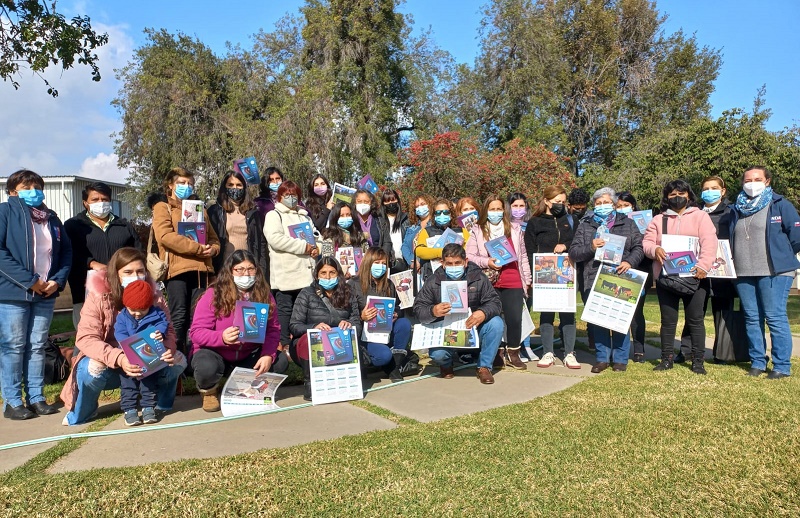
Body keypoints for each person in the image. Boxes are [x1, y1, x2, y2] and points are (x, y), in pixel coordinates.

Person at [60, 248, 186, 425]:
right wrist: (119, 358)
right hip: (110, 364)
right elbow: (86, 338)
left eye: (140, 271)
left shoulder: (155, 297)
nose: (135, 276)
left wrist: (167, 348)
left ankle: (160, 404)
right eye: (128, 272)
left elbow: (170, 331)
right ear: (115, 274)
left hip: (147, 359)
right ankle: (85, 411)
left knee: (177, 359)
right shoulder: (98, 296)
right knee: (91, 368)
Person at [0, 170, 72, 420]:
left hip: (46, 294)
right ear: (13, 191)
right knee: (13, 346)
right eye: (26, 187)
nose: (34, 191)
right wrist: (30, 282)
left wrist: (57, 280)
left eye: (37, 186)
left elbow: (65, 253)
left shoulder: (51, 218)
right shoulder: (5, 213)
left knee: (37, 346)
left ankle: (36, 398)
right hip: (14, 294)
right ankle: (12, 401)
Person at [726, 166, 800, 378]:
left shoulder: (780, 205)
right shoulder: (736, 209)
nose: (752, 183)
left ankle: (781, 366)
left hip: (774, 272)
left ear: (767, 181)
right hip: (743, 272)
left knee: (774, 317)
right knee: (752, 317)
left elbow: (796, 237)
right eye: (748, 179)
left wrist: (780, 256)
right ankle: (758, 362)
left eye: (757, 179)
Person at [189, 250, 283, 411]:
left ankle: (243, 388)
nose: (246, 274)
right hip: (217, 353)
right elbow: (196, 332)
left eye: (250, 269)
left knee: (280, 362)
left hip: (247, 353)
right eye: (239, 269)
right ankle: (209, 391)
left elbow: (273, 329)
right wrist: (222, 337)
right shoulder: (213, 294)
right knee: (206, 367)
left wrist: (268, 354)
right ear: (230, 271)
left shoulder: (264, 295)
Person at [643, 180, 717, 374]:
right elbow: (647, 242)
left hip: (696, 277)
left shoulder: (700, 216)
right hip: (666, 277)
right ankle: (666, 359)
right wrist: (654, 249)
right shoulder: (659, 219)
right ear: (667, 198)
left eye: (681, 193)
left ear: (689, 196)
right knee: (668, 321)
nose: (677, 197)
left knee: (695, 320)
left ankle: (697, 361)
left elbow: (709, 242)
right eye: (672, 194)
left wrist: (704, 266)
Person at [570, 187, 644, 373]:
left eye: (606, 202)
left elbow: (639, 247)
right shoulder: (585, 224)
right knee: (599, 320)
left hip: (621, 275)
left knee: (620, 319)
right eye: (598, 203)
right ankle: (602, 358)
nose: (602, 206)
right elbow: (574, 252)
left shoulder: (627, 223)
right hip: (594, 276)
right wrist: (591, 246)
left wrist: (629, 261)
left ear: (613, 204)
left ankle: (620, 358)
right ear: (593, 205)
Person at [152, 167, 221, 356]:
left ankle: (195, 357)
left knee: (198, 317)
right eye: (182, 183)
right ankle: (176, 355)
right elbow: (165, 236)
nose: (186, 186)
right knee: (179, 316)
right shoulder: (162, 207)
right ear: (171, 185)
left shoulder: (200, 208)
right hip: (177, 271)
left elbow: (214, 238)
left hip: (202, 271)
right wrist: (197, 249)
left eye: (190, 183)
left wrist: (213, 249)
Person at [413, 243, 504, 384]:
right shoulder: (433, 281)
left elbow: (495, 302)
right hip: (445, 330)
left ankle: (484, 366)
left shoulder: (478, 277)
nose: (453, 267)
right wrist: (433, 311)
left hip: (472, 327)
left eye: (457, 263)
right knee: (438, 355)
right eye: (449, 263)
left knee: (496, 323)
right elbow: (418, 309)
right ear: (442, 263)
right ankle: (446, 364)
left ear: (465, 262)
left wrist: (483, 312)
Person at [675, 176, 736, 364]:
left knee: (723, 313)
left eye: (714, 188)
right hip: (697, 270)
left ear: (723, 191)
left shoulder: (731, 212)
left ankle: (722, 353)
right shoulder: (694, 212)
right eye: (706, 188)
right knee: (694, 313)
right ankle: (687, 351)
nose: (710, 191)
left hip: (722, 271)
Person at [466, 195, 531, 370]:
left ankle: (514, 353)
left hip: (513, 278)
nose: (496, 212)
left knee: (514, 318)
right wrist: (487, 261)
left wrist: (528, 278)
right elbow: (469, 256)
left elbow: (523, 255)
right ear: (486, 211)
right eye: (492, 209)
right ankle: (496, 353)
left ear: (504, 210)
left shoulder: (515, 229)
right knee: (493, 318)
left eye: (499, 209)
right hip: (489, 281)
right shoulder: (478, 230)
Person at [65, 181, 142, 328]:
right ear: (85, 203)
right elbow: (69, 253)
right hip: (85, 292)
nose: (101, 203)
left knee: (122, 331)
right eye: (95, 199)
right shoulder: (72, 226)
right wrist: (91, 263)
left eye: (105, 199)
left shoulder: (124, 226)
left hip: (121, 290)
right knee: (88, 334)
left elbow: (137, 253)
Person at [289, 256, 365, 400]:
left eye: (332, 272)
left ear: (338, 274)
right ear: (317, 275)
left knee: (350, 336)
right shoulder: (306, 294)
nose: (328, 277)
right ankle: (310, 383)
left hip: (338, 344)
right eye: (323, 273)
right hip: (311, 347)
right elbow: (294, 326)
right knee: (307, 339)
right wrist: (314, 327)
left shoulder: (348, 293)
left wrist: (349, 325)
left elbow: (356, 322)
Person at [525, 186, 579, 369]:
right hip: (544, 276)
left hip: (566, 274)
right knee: (546, 314)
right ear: (547, 201)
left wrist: (565, 245)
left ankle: (569, 353)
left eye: (563, 202)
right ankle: (548, 352)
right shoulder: (535, 222)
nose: (560, 205)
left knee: (568, 314)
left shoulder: (570, 220)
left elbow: (579, 242)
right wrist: (533, 276)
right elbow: (529, 250)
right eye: (557, 202)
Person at [264, 180, 319, 349]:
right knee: (284, 310)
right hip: (286, 274)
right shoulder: (274, 215)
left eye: (294, 195)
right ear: (280, 197)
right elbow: (275, 239)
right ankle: (283, 344)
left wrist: (317, 248)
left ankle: (301, 345)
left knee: (304, 310)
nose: (291, 198)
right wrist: (304, 247)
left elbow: (317, 237)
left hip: (306, 274)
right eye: (286, 195)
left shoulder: (305, 216)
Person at [349, 247, 417, 382]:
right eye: (377, 263)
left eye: (383, 264)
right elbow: (347, 314)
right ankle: (390, 366)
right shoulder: (353, 284)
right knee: (384, 356)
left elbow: (397, 306)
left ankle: (395, 366)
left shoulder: (388, 284)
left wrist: (395, 313)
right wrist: (361, 317)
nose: (380, 267)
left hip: (386, 329)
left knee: (404, 323)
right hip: (366, 335)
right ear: (368, 263)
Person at [113, 280, 172, 426]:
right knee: (128, 384)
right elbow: (119, 333)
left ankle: (148, 407)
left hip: (149, 356)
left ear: (149, 304)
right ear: (126, 305)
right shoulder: (122, 317)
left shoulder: (157, 313)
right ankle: (129, 409)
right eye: (133, 309)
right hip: (129, 356)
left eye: (142, 310)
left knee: (149, 383)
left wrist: (160, 333)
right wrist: (127, 346)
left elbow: (163, 324)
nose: (138, 314)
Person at [207, 170, 268, 278]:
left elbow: (261, 244)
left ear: (244, 188)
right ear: (224, 187)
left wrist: (261, 271)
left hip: (248, 270)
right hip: (224, 269)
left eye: (239, 185)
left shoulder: (253, 213)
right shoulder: (215, 211)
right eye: (230, 185)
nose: (235, 188)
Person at [615, 191, 651, 363]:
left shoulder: (645, 224)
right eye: (619, 206)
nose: (622, 209)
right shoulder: (612, 224)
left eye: (626, 205)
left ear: (633, 206)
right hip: (616, 271)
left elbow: (645, 248)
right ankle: (620, 349)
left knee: (637, 313)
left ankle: (639, 349)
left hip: (638, 272)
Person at [414, 198, 470, 284]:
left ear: (451, 214)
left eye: (446, 212)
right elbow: (419, 251)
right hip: (433, 277)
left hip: (459, 276)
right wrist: (441, 252)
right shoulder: (427, 231)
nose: (442, 215)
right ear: (434, 215)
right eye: (438, 213)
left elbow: (469, 250)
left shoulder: (462, 231)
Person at [318, 202, 369, 267]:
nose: (345, 218)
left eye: (348, 215)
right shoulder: (330, 236)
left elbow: (367, 256)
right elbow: (327, 261)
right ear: (336, 218)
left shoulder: (360, 236)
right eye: (341, 215)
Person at [353, 188, 391, 258]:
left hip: (378, 260)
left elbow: (387, 242)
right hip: (359, 262)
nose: (362, 204)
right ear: (355, 203)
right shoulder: (352, 221)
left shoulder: (380, 221)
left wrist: (382, 256)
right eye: (359, 201)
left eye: (366, 201)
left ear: (371, 203)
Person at [401, 194, 434, 269]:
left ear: (430, 204)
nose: (420, 208)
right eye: (417, 206)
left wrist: (420, 261)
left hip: (430, 267)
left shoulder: (435, 225)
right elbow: (404, 246)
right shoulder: (412, 227)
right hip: (415, 269)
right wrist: (412, 260)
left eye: (422, 204)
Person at [380, 189, 410, 273]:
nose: (390, 203)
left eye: (393, 200)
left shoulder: (406, 219)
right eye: (387, 201)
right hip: (386, 264)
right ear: (383, 203)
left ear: (397, 200)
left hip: (405, 264)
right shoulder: (379, 221)